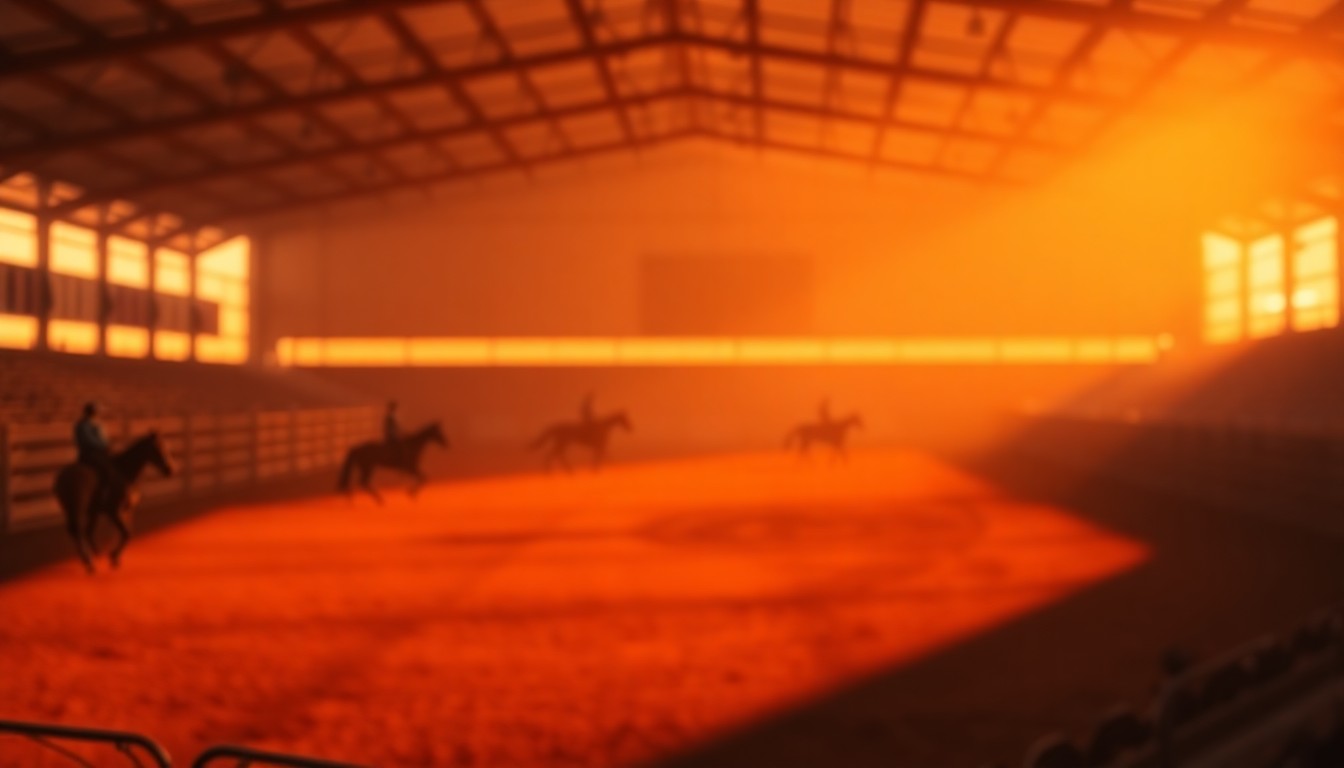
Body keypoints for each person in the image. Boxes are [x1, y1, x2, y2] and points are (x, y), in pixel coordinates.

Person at [73, 402, 124, 511]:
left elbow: (103, 438)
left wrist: (108, 445)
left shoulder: (97, 424)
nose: (97, 414)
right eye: (95, 412)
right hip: (90, 453)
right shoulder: (83, 425)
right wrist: (104, 445)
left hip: (100, 452)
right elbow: (89, 440)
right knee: (106, 470)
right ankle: (102, 495)